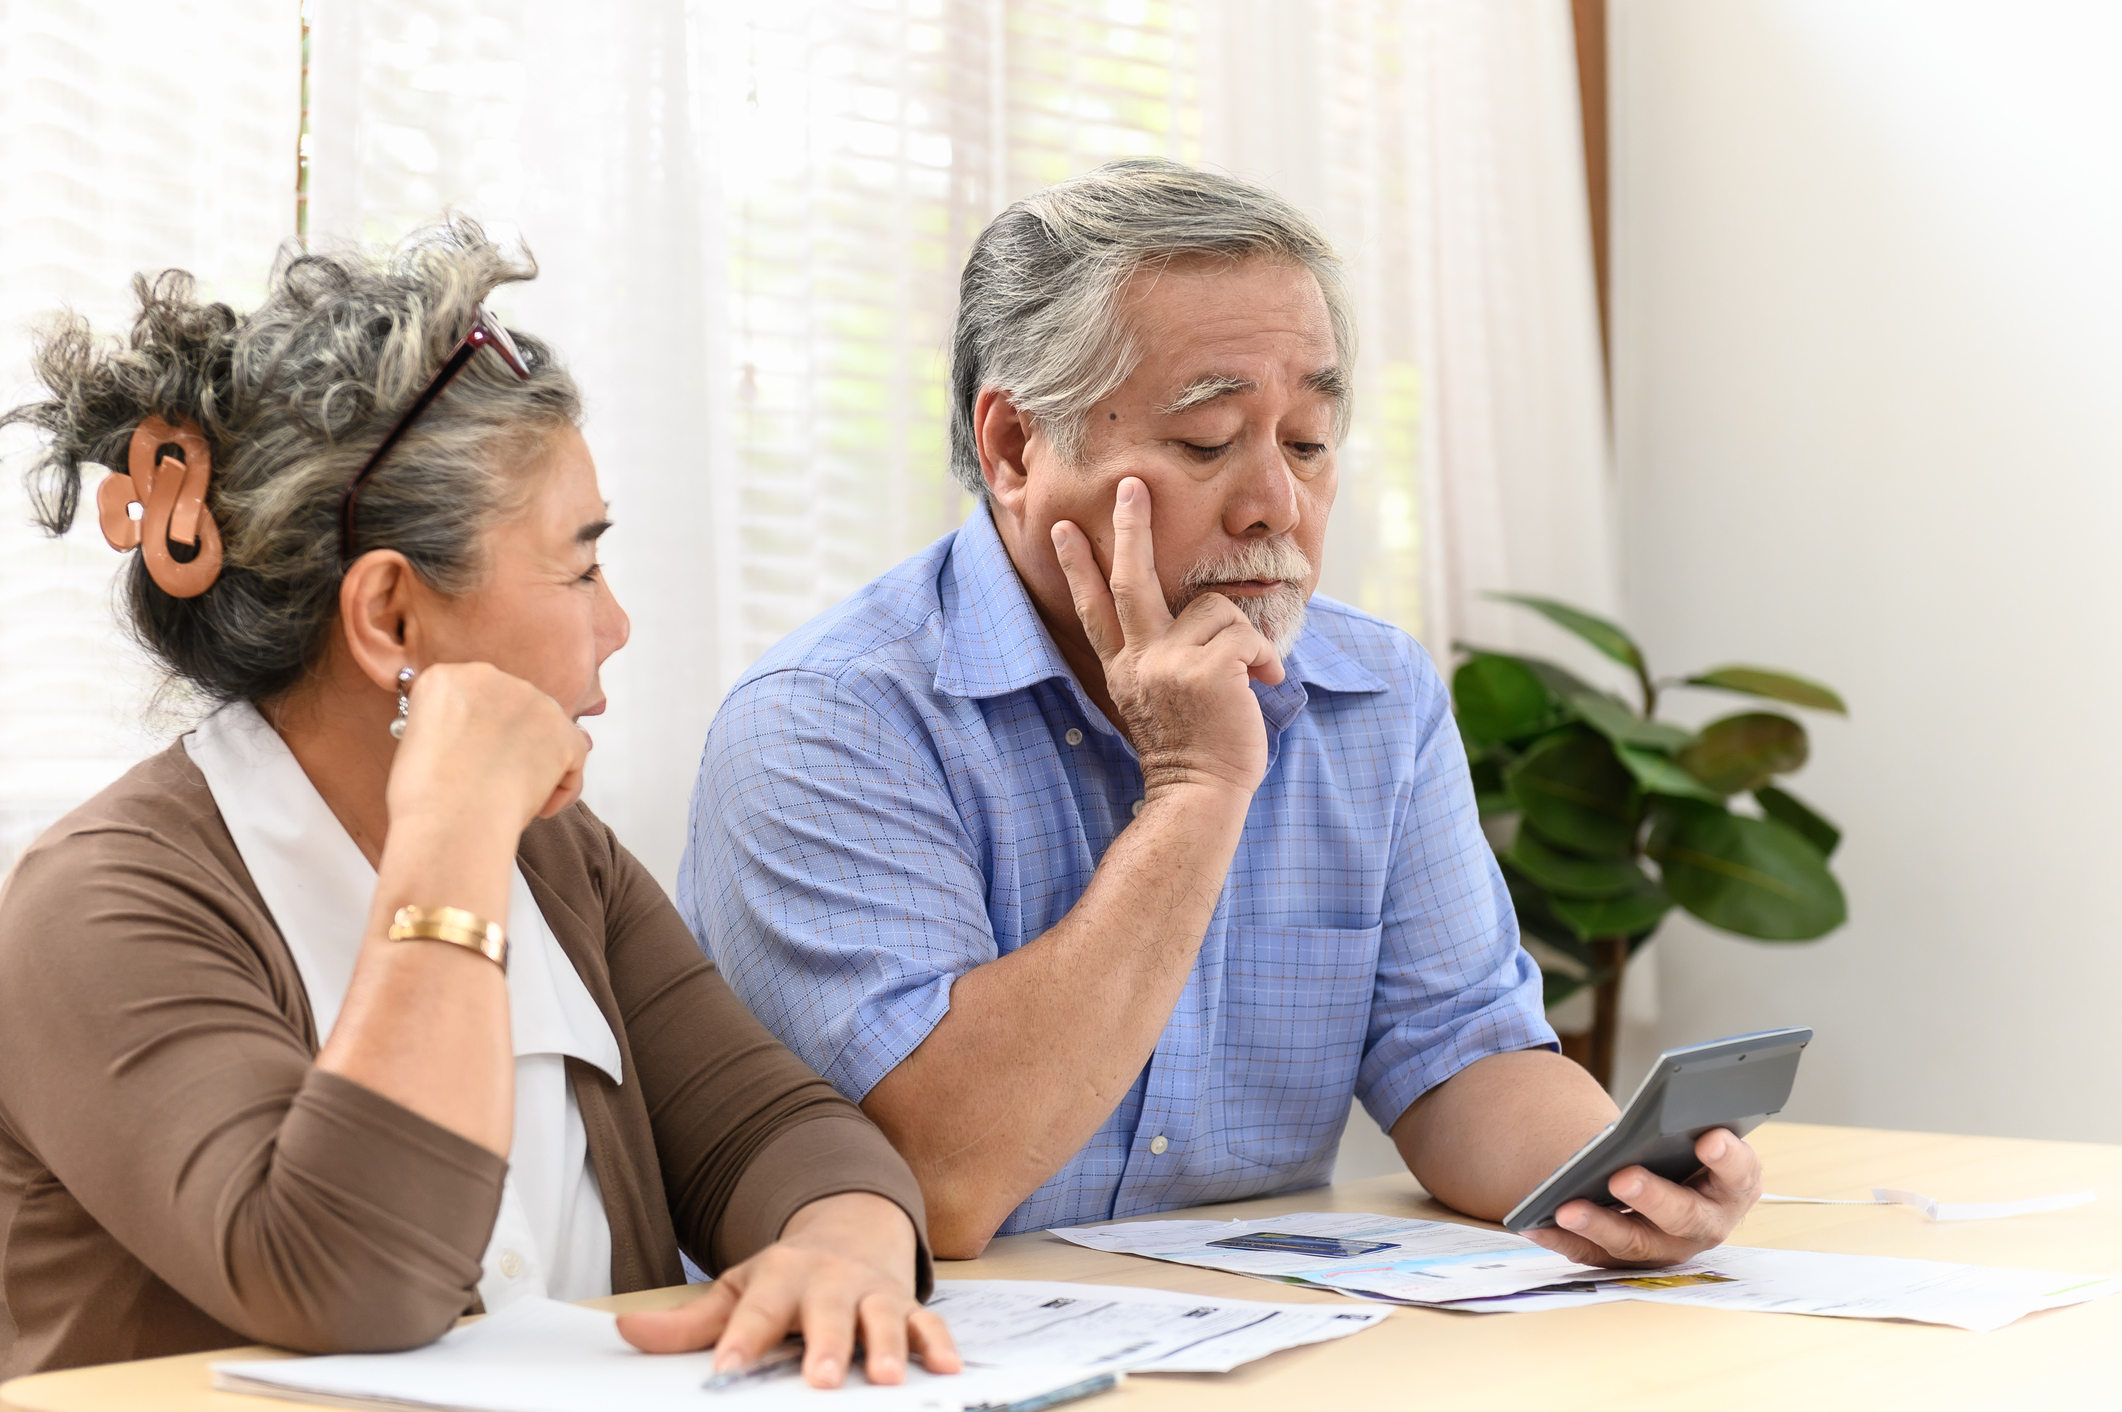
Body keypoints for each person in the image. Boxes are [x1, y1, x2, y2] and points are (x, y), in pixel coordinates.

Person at [683, 158, 1762, 1261]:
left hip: (1250, 1344)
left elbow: (1458, 1056)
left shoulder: (1375, 692)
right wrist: (1196, 787)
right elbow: (943, 1180)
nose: (1275, 506)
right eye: (1206, 444)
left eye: (1307, 442)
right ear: (1013, 446)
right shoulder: (826, 719)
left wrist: (1623, 1175)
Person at [0, 226, 959, 1386]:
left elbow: (776, 1128)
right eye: (580, 564)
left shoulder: (561, 852)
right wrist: (449, 832)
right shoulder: (94, 906)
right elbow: (349, 1274)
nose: (617, 624)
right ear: (391, 618)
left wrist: (840, 1248)